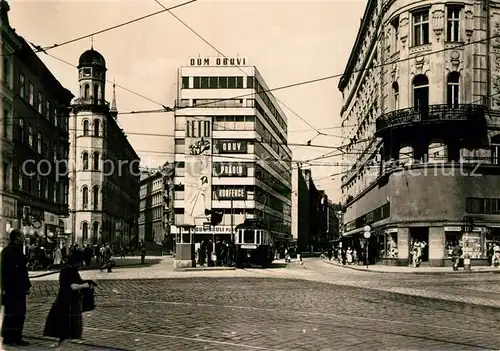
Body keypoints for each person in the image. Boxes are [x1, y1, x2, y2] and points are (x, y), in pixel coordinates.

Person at [43, 251, 93, 350]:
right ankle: (62, 348)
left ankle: (61, 346)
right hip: (69, 303)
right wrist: (85, 285)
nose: (81, 264)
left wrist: (88, 282)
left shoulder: (66, 269)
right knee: (68, 327)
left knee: (64, 327)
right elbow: (73, 286)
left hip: (62, 301)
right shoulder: (71, 270)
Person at [1, 229, 31, 347]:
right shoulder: (16, 252)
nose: (23, 238)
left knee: (9, 312)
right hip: (17, 288)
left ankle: (7, 336)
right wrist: (26, 286)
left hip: (8, 287)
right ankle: (16, 337)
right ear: (17, 238)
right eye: (22, 236)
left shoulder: (5, 251)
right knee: (19, 312)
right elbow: (21, 272)